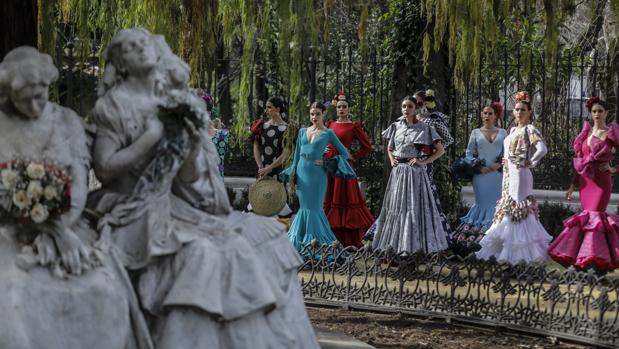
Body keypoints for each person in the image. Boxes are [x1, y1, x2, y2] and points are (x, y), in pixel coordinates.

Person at [89, 28, 319, 348]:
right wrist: (151, 137)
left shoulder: (167, 104)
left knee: (258, 239)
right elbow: (105, 167)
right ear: (120, 63)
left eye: (145, 44)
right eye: (131, 47)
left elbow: (187, 179)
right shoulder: (113, 105)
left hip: (171, 201)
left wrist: (190, 145)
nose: (143, 49)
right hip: (131, 201)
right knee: (201, 252)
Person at [0, 46, 151, 348]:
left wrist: (61, 228)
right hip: (10, 228)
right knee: (11, 292)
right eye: (23, 98)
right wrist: (47, 228)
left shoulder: (66, 121)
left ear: (47, 87)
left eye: (39, 95)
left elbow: (79, 186)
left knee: (102, 287)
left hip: (70, 222)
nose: (33, 105)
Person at [476, 91, 552, 264]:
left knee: (518, 208)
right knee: (507, 206)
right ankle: (507, 256)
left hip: (520, 174)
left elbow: (542, 149)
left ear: (529, 112)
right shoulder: (512, 130)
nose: (519, 112)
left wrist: (530, 162)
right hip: (508, 174)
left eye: (522, 110)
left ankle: (521, 257)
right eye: (517, 109)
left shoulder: (530, 129)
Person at [548, 97, 619, 272]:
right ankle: (583, 260)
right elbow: (579, 163)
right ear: (591, 113)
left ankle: (596, 262)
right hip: (586, 183)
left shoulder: (611, 133)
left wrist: (613, 169)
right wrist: (573, 185)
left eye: (600, 111)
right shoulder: (585, 134)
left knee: (596, 217)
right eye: (594, 111)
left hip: (602, 183)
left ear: (606, 113)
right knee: (586, 219)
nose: (597, 114)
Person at [370, 95, 449, 254]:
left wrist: (423, 162)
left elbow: (441, 150)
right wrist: (392, 160)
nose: (406, 109)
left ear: (416, 109)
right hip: (398, 172)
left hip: (414, 174)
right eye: (404, 106)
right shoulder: (395, 126)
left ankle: (413, 247)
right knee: (396, 208)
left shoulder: (425, 128)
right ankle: (394, 246)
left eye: (409, 107)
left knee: (413, 208)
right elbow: (390, 147)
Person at [281, 102, 355, 254]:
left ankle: (317, 247)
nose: (314, 117)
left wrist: (327, 161)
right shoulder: (302, 131)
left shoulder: (328, 133)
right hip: (302, 172)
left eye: (318, 114)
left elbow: (345, 153)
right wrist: (293, 173)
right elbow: (296, 156)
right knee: (304, 208)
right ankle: (299, 246)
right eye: (312, 114)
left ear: (324, 114)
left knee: (314, 209)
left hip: (317, 175)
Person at [451, 102, 506, 255]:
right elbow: (468, 153)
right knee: (482, 205)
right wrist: (478, 166)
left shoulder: (504, 132)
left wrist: (498, 163)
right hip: (480, 177)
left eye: (490, 113)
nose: (487, 116)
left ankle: (494, 247)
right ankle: (473, 246)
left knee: (497, 206)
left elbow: (507, 151)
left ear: (496, 116)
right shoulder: (475, 132)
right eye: (485, 113)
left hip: (497, 176)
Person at [323, 92, 374, 248]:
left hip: (344, 167)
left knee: (346, 199)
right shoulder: (329, 124)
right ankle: (329, 237)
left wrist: (352, 156)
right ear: (336, 109)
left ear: (349, 109)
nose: (342, 109)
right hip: (330, 166)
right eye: (339, 107)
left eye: (344, 107)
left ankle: (349, 239)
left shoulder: (354, 126)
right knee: (330, 198)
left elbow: (367, 147)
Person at [414, 89, 454, 237]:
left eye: (418, 102)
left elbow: (449, 140)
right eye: (414, 102)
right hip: (406, 163)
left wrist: (432, 154)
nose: (416, 106)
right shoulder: (408, 119)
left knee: (425, 196)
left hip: (425, 164)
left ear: (425, 103)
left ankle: (432, 235)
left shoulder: (434, 120)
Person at [249, 96, 293, 179]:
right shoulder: (261, 126)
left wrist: (269, 168)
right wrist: (261, 167)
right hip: (261, 170)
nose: (266, 110)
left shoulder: (287, 129)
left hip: (278, 171)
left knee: (278, 192)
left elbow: (286, 153)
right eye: (265, 107)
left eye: (269, 107)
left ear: (278, 109)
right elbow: (256, 147)